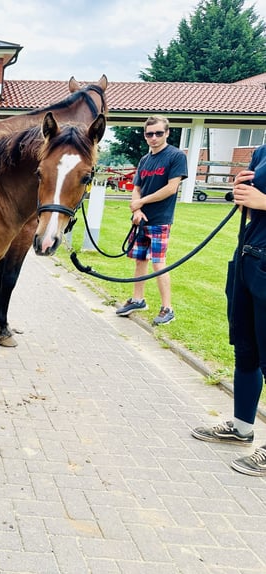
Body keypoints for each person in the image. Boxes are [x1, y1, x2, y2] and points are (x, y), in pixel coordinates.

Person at [191, 144, 266, 477]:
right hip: (249, 259)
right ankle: (241, 427)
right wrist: (241, 194)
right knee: (246, 350)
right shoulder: (262, 150)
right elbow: (250, 210)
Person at [115, 116, 188, 325]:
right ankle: (138, 300)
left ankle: (167, 308)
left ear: (167, 133)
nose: (154, 138)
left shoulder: (175, 156)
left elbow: (171, 188)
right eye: (149, 134)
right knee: (140, 260)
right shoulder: (145, 160)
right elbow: (136, 187)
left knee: (159, 263)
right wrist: (137, 210)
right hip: (141, 220)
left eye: (158, 133)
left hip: (160, 219)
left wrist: (141, 203)